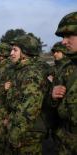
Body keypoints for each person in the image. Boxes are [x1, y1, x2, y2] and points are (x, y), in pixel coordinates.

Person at [52, 11, 77, 154]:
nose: (63, 41)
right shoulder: (67, 69)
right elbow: (53, 106)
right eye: (63, 37)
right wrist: (53, 96)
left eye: (69, 36)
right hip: (65, 142)